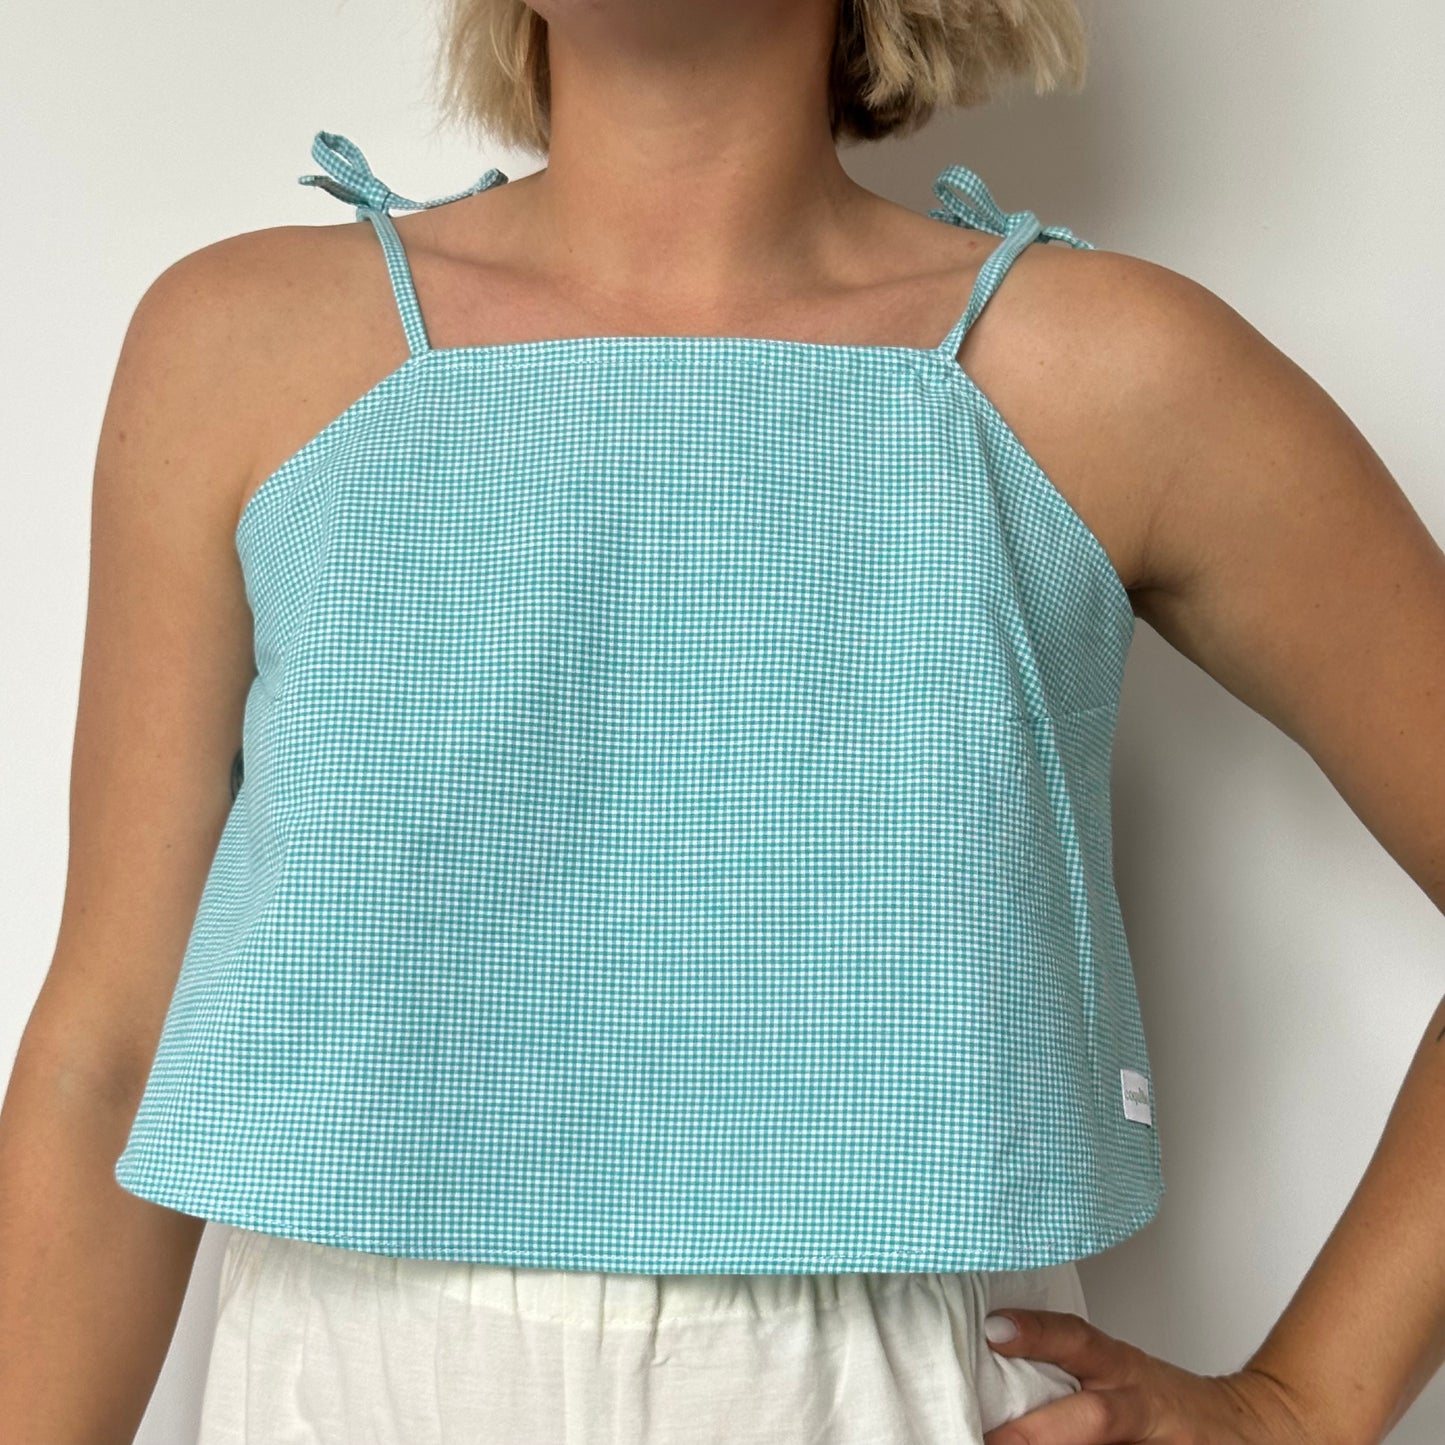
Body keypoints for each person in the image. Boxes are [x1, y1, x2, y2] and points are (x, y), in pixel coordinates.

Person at [4, 1, 1445, 1443]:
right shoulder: (238, 348)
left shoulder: (1109, 373)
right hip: (342, 1383)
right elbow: (106, 1058)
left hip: (901, 1390)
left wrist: (1298, 1407)